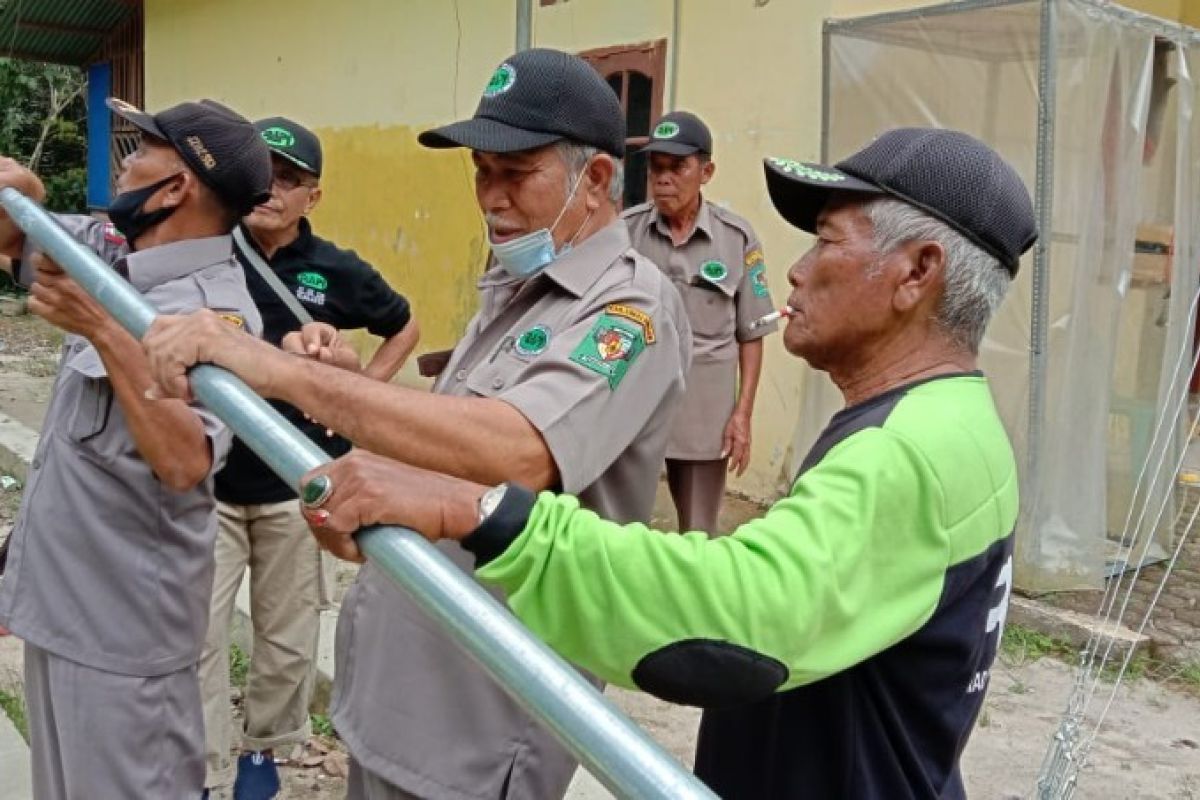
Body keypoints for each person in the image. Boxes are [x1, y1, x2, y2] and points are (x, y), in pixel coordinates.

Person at [280, 128, 1036, 800]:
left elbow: (731, 620)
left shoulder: (908, 446)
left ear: (918, 272)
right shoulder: (952, 418)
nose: (797, 273)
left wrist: (476, 511)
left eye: (828, 241)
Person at [142, 48, 691, 799]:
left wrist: (273, 366)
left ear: (595, 179)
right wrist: (341, 385)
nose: (491, 197)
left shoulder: (630, 309)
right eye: (481, 173)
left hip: (478, 721)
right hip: (398, 689)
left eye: (516, 174)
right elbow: (448, 439)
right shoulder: (517, 287)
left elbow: (518, 449)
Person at [0, 98, 270, 800]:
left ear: (177, 187)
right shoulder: (115, 254)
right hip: (61, 614)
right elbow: (12, 237)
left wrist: (102, 327)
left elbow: (184, 460)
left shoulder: (219, 314)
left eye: (143, 149)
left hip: (123, 644)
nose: (125, 160)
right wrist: (19, 196)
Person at [202, 116, 418, 800]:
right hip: (209, 481)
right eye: (262, 174)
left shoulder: (335, 270)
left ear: (312, 198)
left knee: (288, 638)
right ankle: (205, 767)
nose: (271, 190)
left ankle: (263, 752)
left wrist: (357, 397)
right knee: (198, 634)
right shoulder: (206, 252)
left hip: (296, 484)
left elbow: (403, 324)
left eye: (289, 180)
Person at [623, 111, 778, 534]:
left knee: (698, 531)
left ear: (706, 172)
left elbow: (753, 334)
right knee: (617, 524)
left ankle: (690, 600)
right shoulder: (625, 233)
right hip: (634, 405)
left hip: (703, 413)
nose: (663, 178)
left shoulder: (736, 239)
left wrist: (741, 416)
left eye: (678, 167)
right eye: (656, 168)